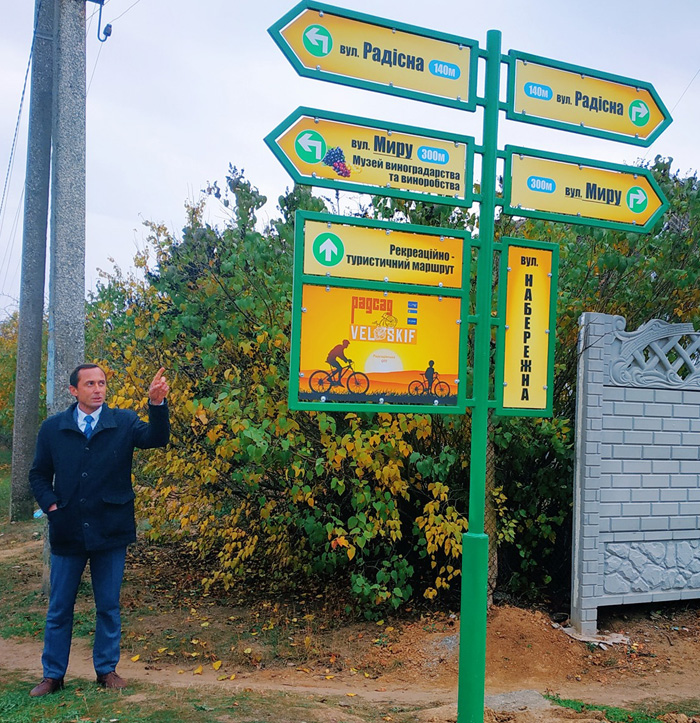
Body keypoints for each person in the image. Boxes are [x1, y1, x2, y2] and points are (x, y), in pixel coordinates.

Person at [28, 364, 170, 696]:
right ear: (73, 391)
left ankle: (106, 671)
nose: (98, 389)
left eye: (102, 383)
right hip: (68, 530)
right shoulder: (53, 429)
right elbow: (38, 474)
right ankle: (53, 675)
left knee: (108, 604)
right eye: (90, 383)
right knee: (60, 607)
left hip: (111, 529)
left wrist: (157, 405)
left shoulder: (123, 422)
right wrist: (51, 506)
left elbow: (156, 438)